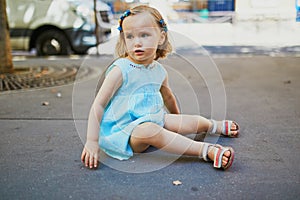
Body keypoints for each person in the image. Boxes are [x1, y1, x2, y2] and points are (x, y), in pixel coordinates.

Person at [81, 5, 239, 170]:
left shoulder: (159, 71)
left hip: (154, 118)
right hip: (126, 132)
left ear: (161, 37)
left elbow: (168, 97)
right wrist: (92, 141)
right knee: (150, 130)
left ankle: (214, 125)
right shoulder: (121, 70)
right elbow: (98, 104)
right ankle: (206, 150)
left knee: (193, 121)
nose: (137, 42)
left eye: (144, 35)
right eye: (129, 36)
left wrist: (178, 121)